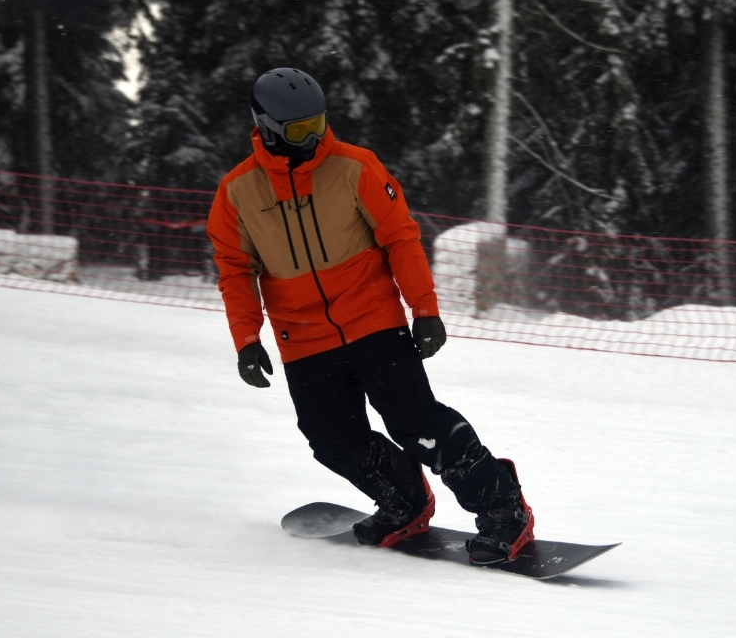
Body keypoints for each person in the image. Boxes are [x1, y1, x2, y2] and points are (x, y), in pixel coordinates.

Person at [206, 68, 535, 564]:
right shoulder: (238, 192)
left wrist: (424, 309)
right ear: (266, 125)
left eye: (319, 122)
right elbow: (235, 269)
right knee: (331, 440)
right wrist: (246, 340)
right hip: (304, 338)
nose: (314, 137)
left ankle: (503, 508)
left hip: (373, 321)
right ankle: (404, 498)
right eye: (299, 130)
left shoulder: (355, 167)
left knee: (418, 424)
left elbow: (401, 237)